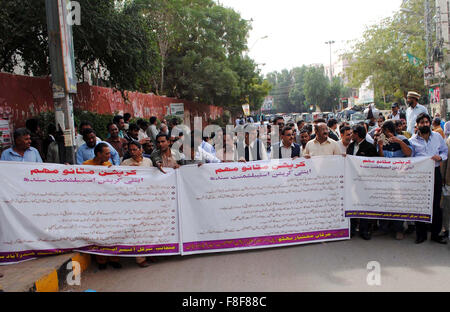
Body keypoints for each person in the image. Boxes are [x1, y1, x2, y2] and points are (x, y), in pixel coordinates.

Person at [409, 113, 448, 244]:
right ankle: (421, 234)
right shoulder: (412, 141)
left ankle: (436, 234)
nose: (425, 124)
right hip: (420, 176)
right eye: (422, 122)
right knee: (420, 203)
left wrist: (440, 157)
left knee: (436, 204)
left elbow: (444, 151)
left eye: (427, 122)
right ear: (417, 125)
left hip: (435, 172)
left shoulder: (437, 137)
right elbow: (410, 160)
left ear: (430, 123)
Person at [82, 143, 122, 270]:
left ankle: (114, 259)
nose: (109, 156)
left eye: (109, 153)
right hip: (93, 205)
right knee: (99, 233)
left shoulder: (108, 167)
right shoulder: (85, 166)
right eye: (107, 153)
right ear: (98, 154)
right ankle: (101, 260)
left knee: (112, 232)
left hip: (109, 205)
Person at [374, 120, 412, 240]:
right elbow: (381, 159)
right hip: (386, 178)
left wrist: (399, 142)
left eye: (383, 131)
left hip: (400, 178)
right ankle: (384, 227)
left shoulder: (403, 139)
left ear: (389, 131)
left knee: (398, 204)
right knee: (385, 202)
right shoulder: (383, 142)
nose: (382, 134)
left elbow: (409, 153)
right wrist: (379, 147)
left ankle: (399, 229)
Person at [347, 124, 379, 240]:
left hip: (365, 183)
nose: (351, 135)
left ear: (357, 134)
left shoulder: (369, 147)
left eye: (352, 133)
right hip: (352, 182)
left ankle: (364, 230)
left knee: (364, 206)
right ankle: (352, 229)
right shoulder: (350, 147)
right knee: (353, 205)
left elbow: (374, 165)